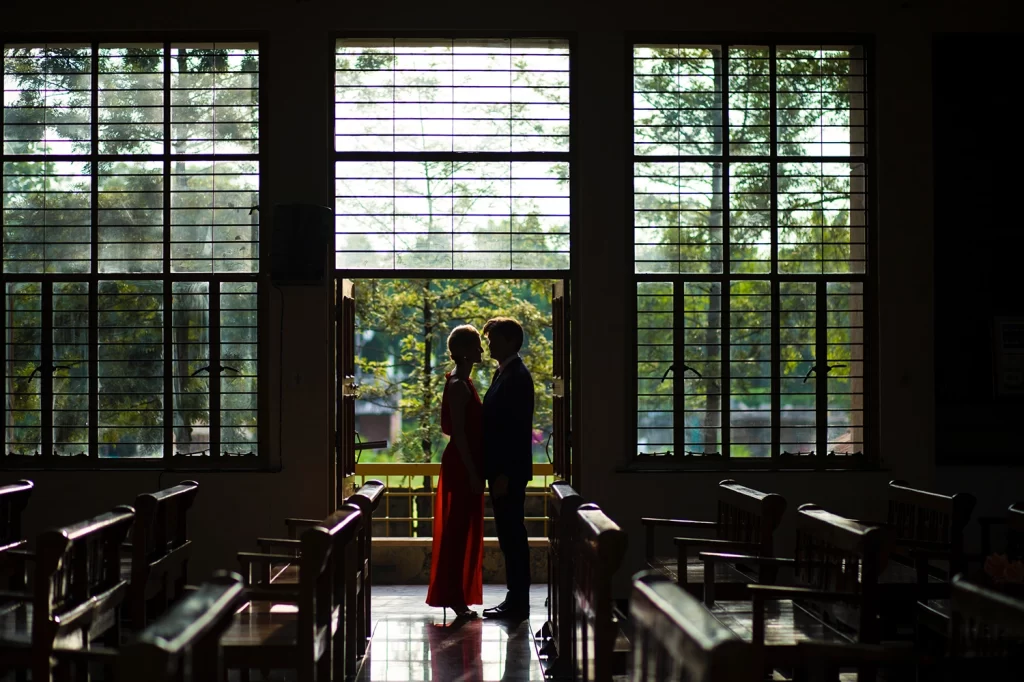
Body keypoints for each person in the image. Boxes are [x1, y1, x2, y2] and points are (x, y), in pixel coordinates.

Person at [425, 324, 486, 619]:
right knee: (457, 529)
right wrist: (474, 472)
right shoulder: (459, 386)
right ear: (463, 351)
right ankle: (454, 596)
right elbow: (460, 434)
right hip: (463, 463)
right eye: (476, 345)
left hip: (465, 461)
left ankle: (457, 594)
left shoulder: (462, 382)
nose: (481, 350)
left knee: (461, 527)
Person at [480, 317, 534, 620]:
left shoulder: (516, 377)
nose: (489, 344)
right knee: (508, 534)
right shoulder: (505, 374)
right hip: (502, 470)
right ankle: (515, 599)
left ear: (511, 342)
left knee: (512, 535)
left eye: (494, 339)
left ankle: (518, 602)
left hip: (507, 472)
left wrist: (504, 474)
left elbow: (514, 431)